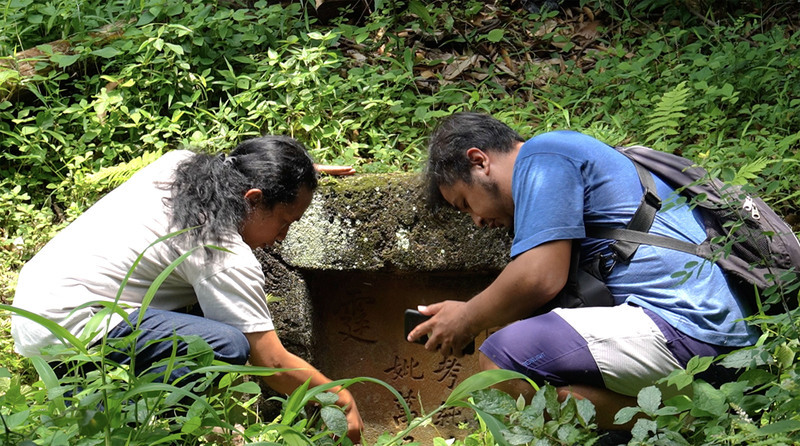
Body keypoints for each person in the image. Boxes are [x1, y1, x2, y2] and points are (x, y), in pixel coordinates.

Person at [408, 112, 758, 430]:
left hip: (690, 326)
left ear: (479, 160)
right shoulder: (569, 156)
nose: (477, 220)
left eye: (465, 203)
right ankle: (685, 422)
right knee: (543, 367)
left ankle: (685, 425)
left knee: (503, 358)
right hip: (719, 336)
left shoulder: (544, 156)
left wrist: (466, 318)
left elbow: (539, 276)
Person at [11, 135, 363, 442]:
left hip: (39, 302)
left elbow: (240, 166)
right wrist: (340, 396)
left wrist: (292, 174)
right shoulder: (222, 251)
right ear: (253, 199)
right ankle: (123, 416)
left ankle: (94, 395)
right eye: (284, 222)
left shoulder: (178, 165)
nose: (282, 237)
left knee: (204, 312)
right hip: (73, 329)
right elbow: (270, 362)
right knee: (227, 344)